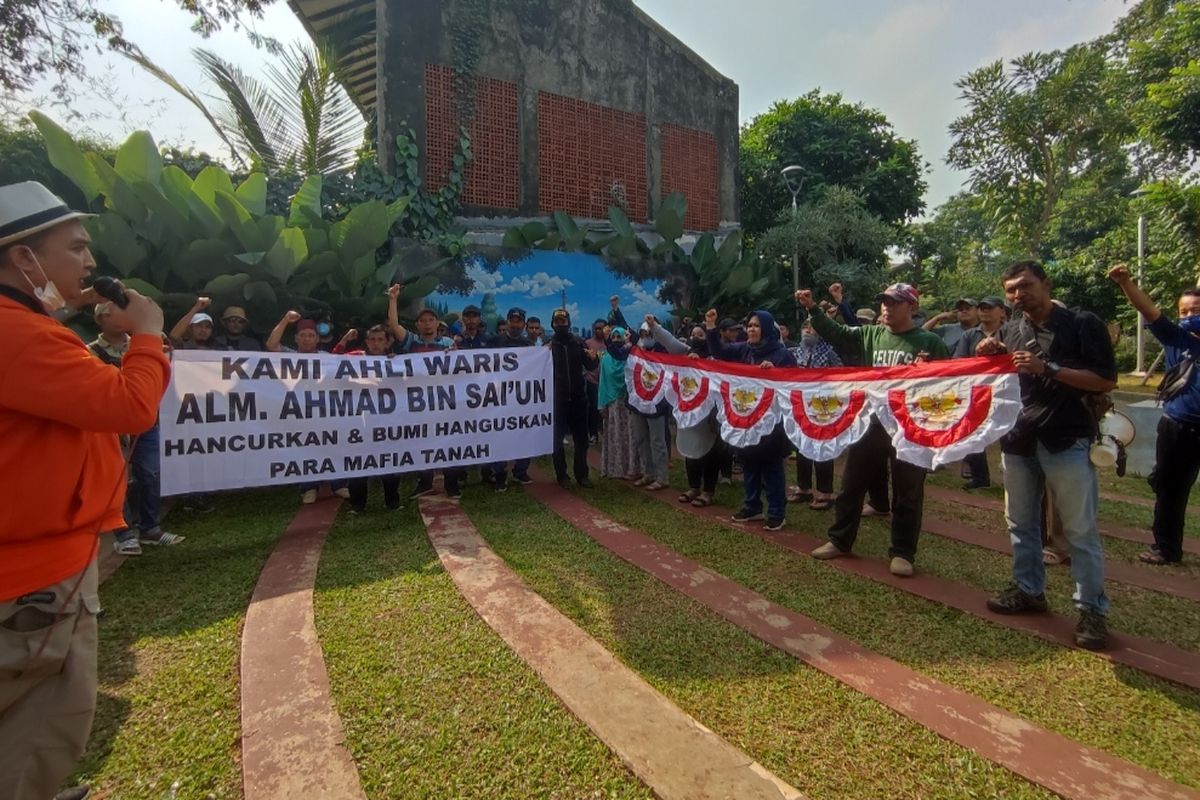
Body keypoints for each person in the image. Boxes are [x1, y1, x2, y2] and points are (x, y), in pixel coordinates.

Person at [0, 181, 171, 800]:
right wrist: (148, 333)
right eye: (76, 248)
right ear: (25, 258)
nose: (90, 263)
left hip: (36, 561)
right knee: (42, 718)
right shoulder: (18, 335)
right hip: (31, 578)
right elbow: (130, 407)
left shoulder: (26, 329)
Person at [977, 260, 1116, 650]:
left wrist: (1048, 368)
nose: (1018, 295)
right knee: (1020, 523)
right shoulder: (1012, 328)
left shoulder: (1083, 323)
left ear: (1045, 283)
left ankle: (1091, 609)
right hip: (1019, 439)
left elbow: (1105, 379)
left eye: (1025, 286)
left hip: (1066, 438)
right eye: (1011, 290)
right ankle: (1028, 590)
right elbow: (1003, 373)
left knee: (1079, 530)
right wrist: (989, 350)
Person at [797, 283, 949, 576]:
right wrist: (812, 308)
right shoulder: (871, 335)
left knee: (908, 491)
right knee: (851, 485)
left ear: (912, 308)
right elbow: (837, 334)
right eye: (884, 302)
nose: (886, 308)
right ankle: (840, 540)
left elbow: (948, 383)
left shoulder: (930, 342)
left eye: (894, 303)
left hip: (910, 428)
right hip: (872, 424)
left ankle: (903, 552)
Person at [1108, 264, 1199, 565]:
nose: (1188, 317)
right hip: (1178, 425)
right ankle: (1166, 548)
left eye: (1195, 310)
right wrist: (1126, 283)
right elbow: (1149, 311)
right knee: (1169, 489)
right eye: (1184, 312)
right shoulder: (1176, 339)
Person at [89, 303, 184, 556]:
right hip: (113, 428)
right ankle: (124, 533)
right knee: (117, 478)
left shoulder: (146, 345)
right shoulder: (90, 352)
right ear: (100, 318)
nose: (121, 316)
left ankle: (151, 528)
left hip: (147, 423)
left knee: (150, 474)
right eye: (112, 312)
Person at [706, 308, 797, 531]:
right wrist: (710, 326)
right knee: (749, 463)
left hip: (771, 422)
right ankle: (752, 506)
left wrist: (774, 372)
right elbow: (719, 351)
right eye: (749, 326)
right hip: (746, 415)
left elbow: (794, 383)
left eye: (756, 325)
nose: (751, 329)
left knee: (771, 466)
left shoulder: (782, 354)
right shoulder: (744, 349)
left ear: (766, 328)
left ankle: (776, 512)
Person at [387, 285, 464, 498]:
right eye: (423, 320)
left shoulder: (448, 344)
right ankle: (425, 482)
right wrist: (393, 299)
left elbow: (460, 370)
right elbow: (393, 325)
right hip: (419, 403)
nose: (427, 323)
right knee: (422, 442)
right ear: (417, 324)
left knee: (448, 442)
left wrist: (453, 355)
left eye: (431, 320)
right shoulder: (412, 341)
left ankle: (451, 483)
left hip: (444, 403)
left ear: (437, 323)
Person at [646, 316, 725, 507]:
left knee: (710, 452)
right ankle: (693, 487)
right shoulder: (684, 354)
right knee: (690, 449)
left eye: (700, 334)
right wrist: (654, 326)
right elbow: (669, 341)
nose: (695, 337)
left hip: (709, 415)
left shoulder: (716, 357)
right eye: (693, 334)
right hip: (687, 411)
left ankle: (708, 491)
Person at [340, 325, 405, 512]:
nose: (376, 344)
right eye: (372, 340)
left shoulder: (395, 361)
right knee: (359, 464)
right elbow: (331, 362)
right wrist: (344, 340)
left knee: (390, 463)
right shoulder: (355, 358)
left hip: (388, 421)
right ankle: (358, 504)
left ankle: (392, 501)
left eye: (380, 340)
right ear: (367, 342)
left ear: (387, 342)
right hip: (360, 422)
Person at [954, 296, 1009, 490]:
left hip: (1006, 390)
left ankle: (1012, 477)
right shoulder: (969, 335)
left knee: (1009, 434)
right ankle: (980, 477)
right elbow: (959, 360)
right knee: (972, 433)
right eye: (982, 308)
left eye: (990, 308)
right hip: (977, 390)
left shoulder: (1011, 332)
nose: (985, 311)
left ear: (1002, 311)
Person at [787, 315, 842, 510]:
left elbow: (841, 375)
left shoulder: (830, 352)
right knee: (802, 446)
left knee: (822, 449)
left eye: (813, 327)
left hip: (824, 407)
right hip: (802, 405)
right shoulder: (796, 351)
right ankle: (804, 488)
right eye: (805, 326)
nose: (808, 330)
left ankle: (826, 492)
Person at [486, 307, 536, 490]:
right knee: (499, 436)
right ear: (507, 322)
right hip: (498, 398)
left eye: (519, 322)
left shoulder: (529, 346)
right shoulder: (494, 342)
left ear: (523, 324)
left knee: (525, 433)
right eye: (512, 321)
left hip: (522, 399)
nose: (515, 324)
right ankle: (499, 473)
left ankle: (520, 471)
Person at [547, 308, 597, 488]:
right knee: (556, 440)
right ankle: (562, 476)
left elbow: (590, 365)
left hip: (579, 398)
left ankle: (582, 475)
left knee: (581, 440)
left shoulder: (578, 342)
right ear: (552, 324)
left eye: (563, 321)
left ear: (569, 322)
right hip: (557, 400)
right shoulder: (548, 347)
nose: (561, 324)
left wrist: (594, 358)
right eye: (557, 321)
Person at [597, 326, 642, 480]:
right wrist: (601, 403)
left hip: (628, 401)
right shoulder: (605, 358)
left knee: (631, 434)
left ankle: (633, 469)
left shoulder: (631, 357)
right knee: (615, 434)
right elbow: (602, 381)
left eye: (619, 337)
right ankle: (616, 468)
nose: (616, 340)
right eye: (614, 337)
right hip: (612, 403)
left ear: (625, 338)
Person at [584, 319, 607, 443]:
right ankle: (593, 434)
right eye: (596, 328)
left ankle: (605, 432)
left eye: (601, 328)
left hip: (607, 382)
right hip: (592, 380)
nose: (599, 331)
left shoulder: (610, 343)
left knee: (605, 409)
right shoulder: (588, 343)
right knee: (593, 408)